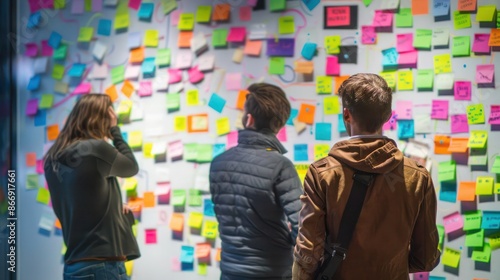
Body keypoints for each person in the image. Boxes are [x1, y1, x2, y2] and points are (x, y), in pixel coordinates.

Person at [292, 73, 440, 279]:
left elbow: (309, 254)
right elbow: (426, 257)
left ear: (346, 115)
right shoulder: (417, 176)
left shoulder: (322, 173)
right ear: (388, 116)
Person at [209, 83, 303, 280]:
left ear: (249, 118)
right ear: (279, 124)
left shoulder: (218, 164)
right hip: (273, 272)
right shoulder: (281, 166)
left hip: (230, 272)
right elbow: (302, 226)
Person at [44, 94, 140, 280]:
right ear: (103, 118)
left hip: (74, 267)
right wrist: (115, 130)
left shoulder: (52, 159)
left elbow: (81, 203)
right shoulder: (95, 149)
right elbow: (131, 166)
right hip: (102, 266)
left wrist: (113, 211)